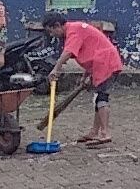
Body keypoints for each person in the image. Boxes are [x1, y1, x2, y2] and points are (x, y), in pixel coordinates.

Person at [43, 14, 124, 146]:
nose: (52, 35)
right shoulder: (77, 29)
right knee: (98, 98)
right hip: (100, 63)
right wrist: (85, 76)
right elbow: (92, 50)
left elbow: (68, 52)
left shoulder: (73, 30)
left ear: (57, 25)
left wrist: (56, 69)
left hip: (105, 63)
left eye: (52, 31)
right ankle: (94, 132)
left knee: (101, 97)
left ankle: (105, 133)